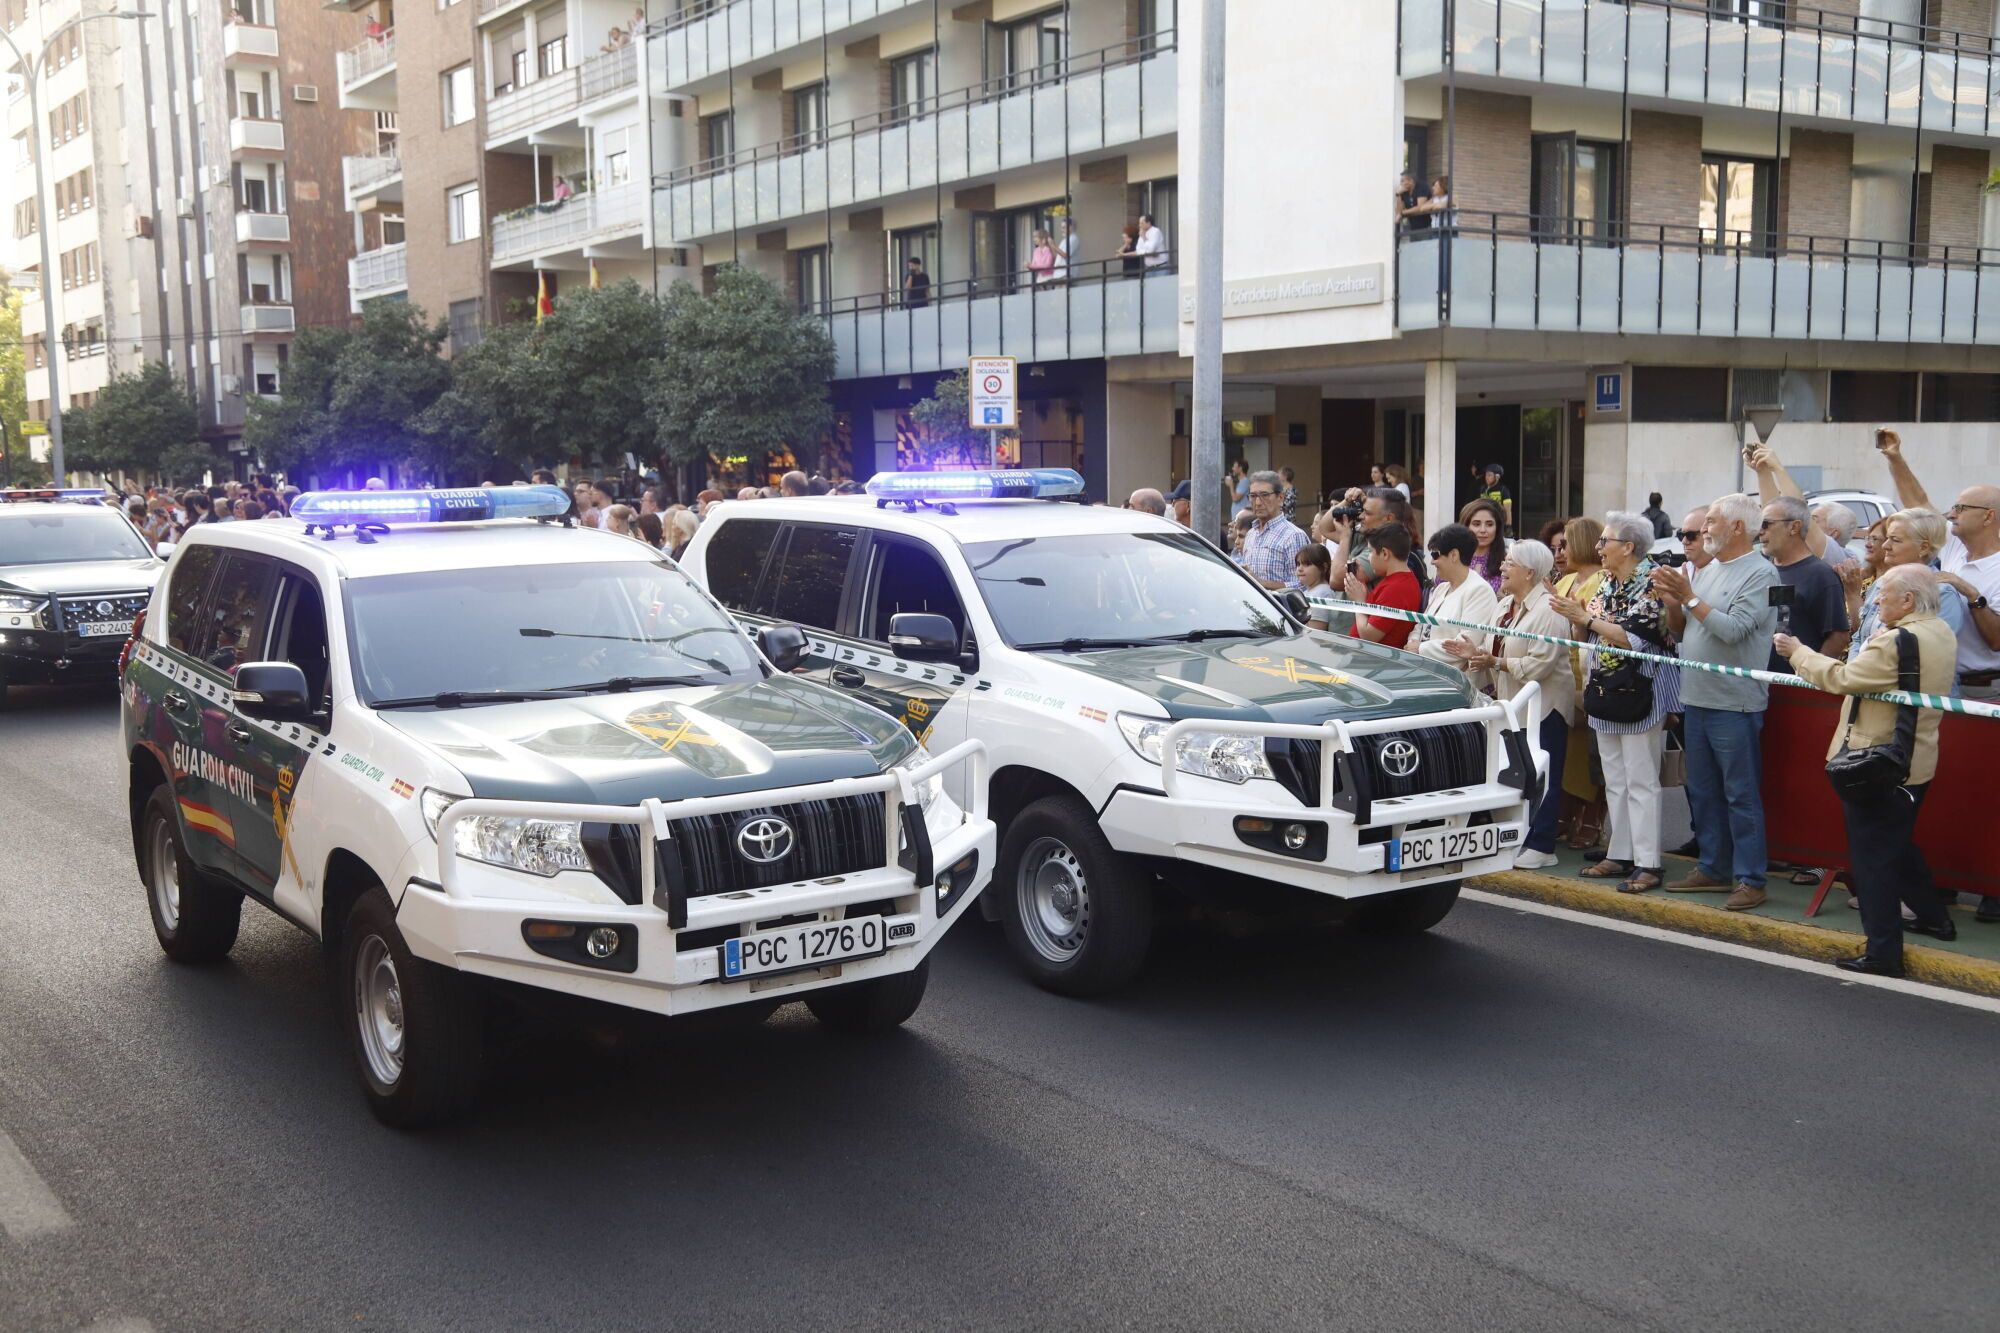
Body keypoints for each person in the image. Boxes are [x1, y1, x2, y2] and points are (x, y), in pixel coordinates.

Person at [1778, 564, 1958, 976]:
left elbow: (1842, 678)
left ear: (1908, 600)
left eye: (1883, 594)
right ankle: (1934, 918)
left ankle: (1883, 955)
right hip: (1916, 760)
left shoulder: (1894, 641)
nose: (1876, 600)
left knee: (1874, 863)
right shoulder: (1941, 631)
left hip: (1876, 763)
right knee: (1897, 844)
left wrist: (1797, 652)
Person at [1649, 494, 1781, 910]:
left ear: (1738, 527)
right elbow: (1682, 632)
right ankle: (1713, 866)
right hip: (1697, 696)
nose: (1703, 530)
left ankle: (1750, 878)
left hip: (1734, 703)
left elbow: (1734, 631)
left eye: (1711, 522)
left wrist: (1687, 595)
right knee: (1703, 789)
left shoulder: (1761, 574)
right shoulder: (1706, 571)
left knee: (1740, 793)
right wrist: (1673, 602)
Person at [1553, 512, 1679, 894]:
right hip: (1605, 690)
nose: (1598, 548)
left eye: (1604, 541)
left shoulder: (1652, 584)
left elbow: (1634, 638)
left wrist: (1584, 620)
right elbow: (1590, 633)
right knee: (1616, 776)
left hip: (1641, 692)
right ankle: (1620, 852)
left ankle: (1648, 862)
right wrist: (1577, 621)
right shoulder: (1605, 581)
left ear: (1628, 547)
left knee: (1641, 778)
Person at [1444, 540, 1575, 869]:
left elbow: (1538, 665)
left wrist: (1495, 661)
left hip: (1545, 708)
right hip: (1511, 707)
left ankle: (1543, 844)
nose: (1501, 568)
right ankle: (1524, 838)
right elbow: (1494, 649)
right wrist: (1475, 657)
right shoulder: (1505, 606)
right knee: (1518, 775)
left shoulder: (1549, 610)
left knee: (1544, 774)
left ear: (1530, 572)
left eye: (1510, 563)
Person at [1876, 429, 2000, 703]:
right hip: (1946, 681)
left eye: (1962, 507)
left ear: (1988, 516)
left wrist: (1969, 593)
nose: (1951, 513)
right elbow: (1918, 502)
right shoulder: (1955, 543)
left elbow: (1996, 640)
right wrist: (1895, 458)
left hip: (1987, 691)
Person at [1847, 509, 1965, 663]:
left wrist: (1861, 675)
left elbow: (1929, 654)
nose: (1885, 546)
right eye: (1887, 538)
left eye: (1895, 540)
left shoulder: (1941, 593)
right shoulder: (1881, 583)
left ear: (1923, 548)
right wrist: (1855, 671)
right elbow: (1859, 638)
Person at [1760, 495, 1849, 669]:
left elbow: (1838, 637)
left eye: (1766, 524)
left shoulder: (1821, 575)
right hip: (1760, 684)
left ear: (1794, 527)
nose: (1760, 531)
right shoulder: (1764, 570)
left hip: (1795, 687)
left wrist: (1810, 676)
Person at [1410, 523, 1501, 673]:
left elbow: (1464, 644)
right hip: (1426, 671)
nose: (1432, 562)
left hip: (1455, 681)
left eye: (1435, 555)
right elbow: (1420, 626)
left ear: (1453, 555)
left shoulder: (1480, 591)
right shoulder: (1441, 589)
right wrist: (1413, 643)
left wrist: (1420, 648)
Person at [1345, 523, 1422, 649]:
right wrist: (1360, 584)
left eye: (1370, 551)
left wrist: (1359, 602)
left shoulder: (1397, 589)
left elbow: (1369, 636)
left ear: (1385, 553)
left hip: (1372, 662)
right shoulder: (1397, 581)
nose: (1369, 557)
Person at [1234, 470, 1307, 590]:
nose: (1257, 502)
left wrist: (1261, 583)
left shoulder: (1294, 536)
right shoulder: (1251, 534)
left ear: (1280, 498)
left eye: (1265, 495)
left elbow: (1302, 586)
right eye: (1253, 496)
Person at [1294, 543, 1348, 633]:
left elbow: (1316, 632)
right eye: (1298, 564)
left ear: (1324, 567)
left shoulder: (1321, 592)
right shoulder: (1313, 591)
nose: (1300, 569)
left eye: (1307, 564)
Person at [1457, 497, 1507, 591]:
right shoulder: (1453, 560)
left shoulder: (1507, 564)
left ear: (1497, 528)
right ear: (1466, 526)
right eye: (1476, 524)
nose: (1483, 530)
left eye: (1489, 524)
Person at [1476, 464, 1513, 535]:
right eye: (1486, 475)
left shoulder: (1503, 490)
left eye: (1489, 475)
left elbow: (1507, 510)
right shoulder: (1482, 489)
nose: (1486, 478)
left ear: (1497, 477)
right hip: (1484, 521)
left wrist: (1508, 526)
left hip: (1498, 522)